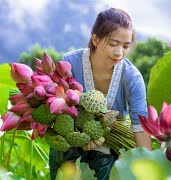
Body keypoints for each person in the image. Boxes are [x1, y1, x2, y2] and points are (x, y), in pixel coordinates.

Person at [49, 8, 152, 180]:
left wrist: (147, 170)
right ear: (95, 39)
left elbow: (140, 128)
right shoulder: (70, 63)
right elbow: (57, 103)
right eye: (113, 44)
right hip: (69, 142)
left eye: (126, 46)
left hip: (108, 147)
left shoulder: (132, 77)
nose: (119, 52)